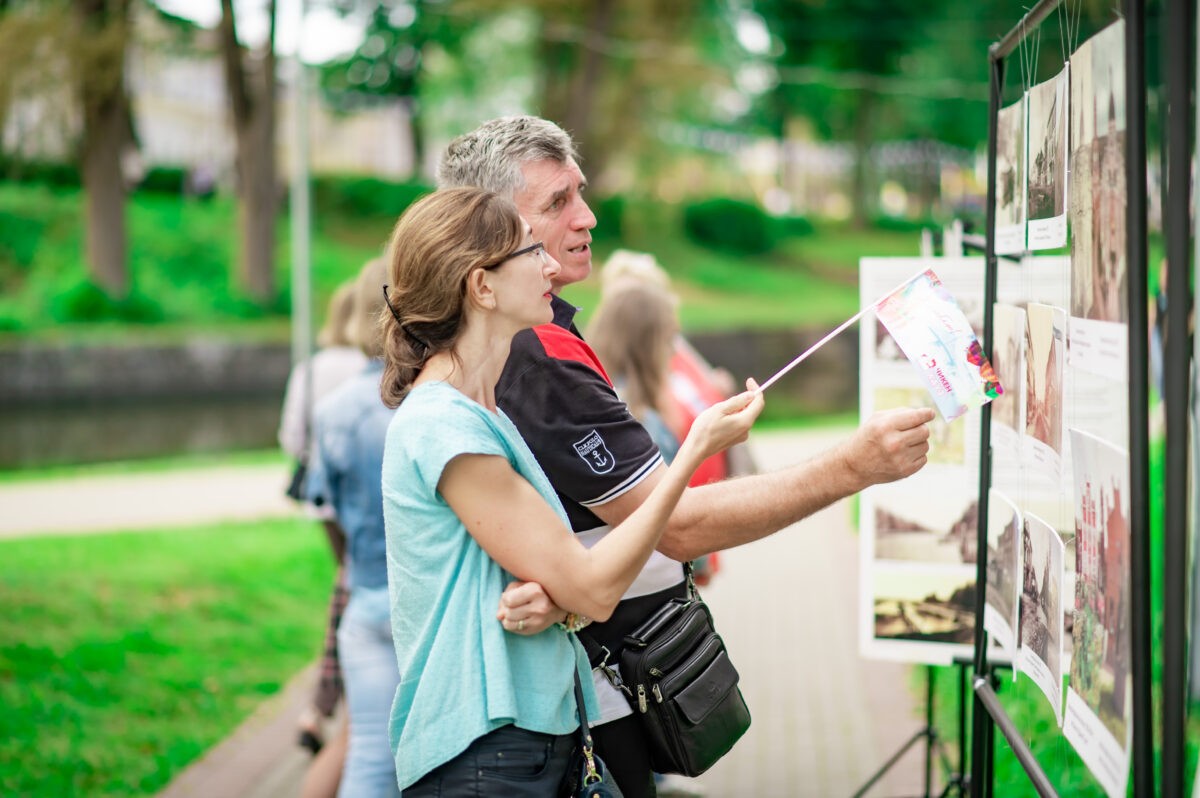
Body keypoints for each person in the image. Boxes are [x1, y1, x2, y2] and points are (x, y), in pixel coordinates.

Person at [437, 115, 933, 796]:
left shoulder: (527, 334)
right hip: (587, 700)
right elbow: (677, 524)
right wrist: (854, 466)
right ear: (490, 235)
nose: (587, 218)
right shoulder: (535, 348)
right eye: (556, 203)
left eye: (580, 192)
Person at [377, 187, 763, 795]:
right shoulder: (444, 423)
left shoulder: (483, 415)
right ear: (482, 287)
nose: (552, 267)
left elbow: (569, 576)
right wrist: (691, 453)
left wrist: (561, 599)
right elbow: (593, 583)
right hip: (488, 754)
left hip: (527, 743)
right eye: (532, 252)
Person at [304, 258, 399, 798]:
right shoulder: (427, 402)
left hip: (363, 596)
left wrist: (352, 563)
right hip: (424, 606)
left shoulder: (333, 409)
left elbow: (326, 508)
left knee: (367, 757)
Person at [279, 280, 368, 756]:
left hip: (326, 502)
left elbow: (293, 436)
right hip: (369, 497)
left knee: (348, 580)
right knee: (358, 584)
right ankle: (338, 699)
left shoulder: (311, 369)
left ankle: (326, 702)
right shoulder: (366, 369)